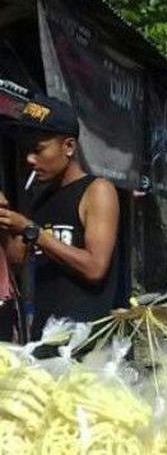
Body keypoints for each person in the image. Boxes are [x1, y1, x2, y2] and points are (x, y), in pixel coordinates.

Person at [0, 92, 120, 342]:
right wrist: (5, 221)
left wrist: (34, 232)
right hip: (45, 341)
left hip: (87, 345)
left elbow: (95, 268)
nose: (29, 159)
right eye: (27, 150)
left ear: (68, 147)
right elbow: (17, 261)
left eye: (38, 150)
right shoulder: (39, 198)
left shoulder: (97, 191)